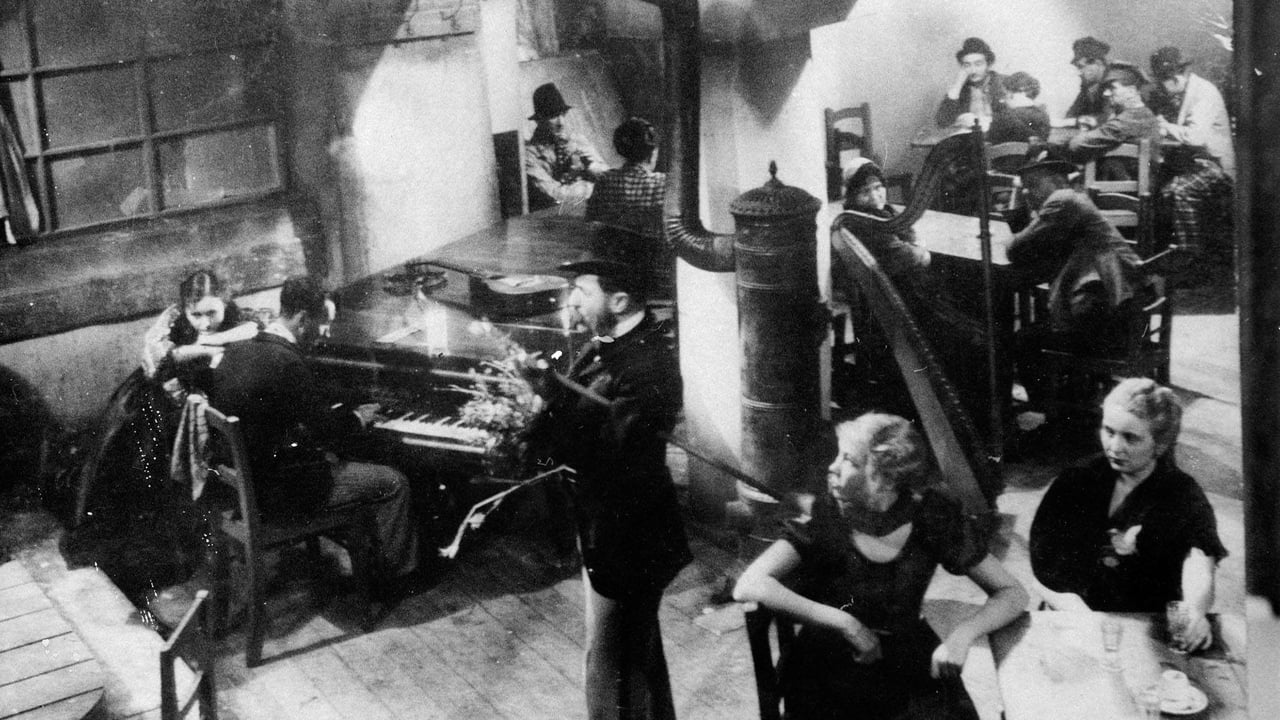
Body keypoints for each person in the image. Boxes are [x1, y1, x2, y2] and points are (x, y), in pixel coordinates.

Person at [733, 413, 1028, 720]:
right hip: (828, 665)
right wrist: (846, 623)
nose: (833, 467)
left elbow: (1012, 592)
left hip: (905, 658)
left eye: (849, 460)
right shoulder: (825, 514)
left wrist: (963, 636)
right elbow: (749, 584)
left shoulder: (931, 515)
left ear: (884, 480)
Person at [524, 258, 689, 720]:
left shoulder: (647, 366)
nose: (572, 299)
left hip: (629, 535)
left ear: (618, 301)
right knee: (634, 652)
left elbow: (606, 453)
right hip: (606, 525)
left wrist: (546, 416)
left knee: (611, 664)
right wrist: (548, 395)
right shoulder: (610, 343)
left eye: (583, 290)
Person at [207, 276, 419, 595]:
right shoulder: (288, 362)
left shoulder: (239, 350)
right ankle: (396, 581)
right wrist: (359, 417)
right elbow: (328, 432)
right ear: (303, 319)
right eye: (322, 323)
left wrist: (350, 398)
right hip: (279, 495)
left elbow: (302, 400)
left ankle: (374, 557)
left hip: (244, 487)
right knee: (394, 482)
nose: (324, 332)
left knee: (339, 458)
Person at [64, 270, 261, 602]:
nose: (204, 322)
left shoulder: (238, 315)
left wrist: (210, 343)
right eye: (195, 315)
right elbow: (160, 360)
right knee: (143, 470)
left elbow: (255, 329)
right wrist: (203, 348)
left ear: (225, 302)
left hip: (200, 401)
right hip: (157, 402)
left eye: (211, 313)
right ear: (184, 309)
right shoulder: (171, 320)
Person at [1029, 378, 1227, 651]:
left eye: (1130, 438)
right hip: (1071, 614)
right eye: (1109, 431)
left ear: (1160, 444)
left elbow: (1199, 559)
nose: (1115, 446)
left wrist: (1195, 610)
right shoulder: (1076, 481)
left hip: (1144, 627)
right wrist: (1087, 619)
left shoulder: (1182, 493)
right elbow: (1043, 569)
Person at [1004, 146, 1154, 411]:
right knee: (1042, 329)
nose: (1027, 192)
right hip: (1123, 313)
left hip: (1111, 321)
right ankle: (1069, 405)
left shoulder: (1062, 201)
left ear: (1057, 181)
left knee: (1024, 341)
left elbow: (1015, 248)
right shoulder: (1074, 199)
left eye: (1033, 185)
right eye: (1024, 187)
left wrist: (1018, 207)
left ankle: (1054, 416)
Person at [1149, 46, 1236, 261]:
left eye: (1162, 82)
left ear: (1174, 78)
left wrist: (1166, 126)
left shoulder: (1203, 93)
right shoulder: (1187, 91)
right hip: (1201, 164)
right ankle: (1174, 251)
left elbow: (1195, 137)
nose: (1160, 87)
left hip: (1219, 168)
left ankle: (1192, 257)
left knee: (1179, 190)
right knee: (1161, 187)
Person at [525, 82, 609, 214]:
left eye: (563, 114)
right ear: (539, 120)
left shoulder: (577, 140)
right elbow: (555, 195)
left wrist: (589, 165)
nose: (561, 123)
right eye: (553, 116)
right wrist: (593, 188)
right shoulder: (529, 155)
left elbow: (609, 177)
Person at [586, 117, 665, 240]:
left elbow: (591, 222)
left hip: (611, 250)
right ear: (652, 153)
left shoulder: (605, 180)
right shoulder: (662, 183)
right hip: (651, 250)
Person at [1065, 62, 1162, 164]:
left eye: (1112, 88)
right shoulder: (1143, 113)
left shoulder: (1127, 120)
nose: (1105, 93)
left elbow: (1076, 144)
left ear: (1131, 91)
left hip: (1118, 173)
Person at [936, 37, 1006, 129]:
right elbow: (942, 122)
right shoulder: (961, 90)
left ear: (988, 64)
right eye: (967, 65)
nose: (973, 71)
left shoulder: (1005, 83)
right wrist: (958, 85)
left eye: (978, 64)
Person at [987, 71, 1051, 144]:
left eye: (1006, 93)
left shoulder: (1003, 116)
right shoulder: (1043, 114)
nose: (1005, 99)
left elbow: (991, 141)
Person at [1062, 37, 1112, 129]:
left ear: (1097, 63)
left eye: (1081, 67)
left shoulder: (1114, 83)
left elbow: (1108, 118)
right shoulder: (1088, 86)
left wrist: (1080, 121)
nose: (1079, 72)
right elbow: (1073, 112)